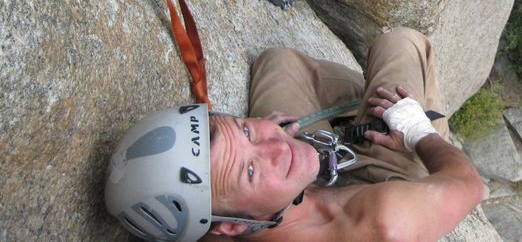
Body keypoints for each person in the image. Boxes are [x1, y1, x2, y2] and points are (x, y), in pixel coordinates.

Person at [106, 26, 485, 241]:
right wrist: (417, 130)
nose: (274, 143)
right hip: (391, 177)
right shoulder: (386, 223)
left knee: (279, 63)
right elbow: (470, 186)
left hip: (299, 188)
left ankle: (361, 107)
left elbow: (244, 160)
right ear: (234, 226)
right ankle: (394, 110)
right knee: (399, 42)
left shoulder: (209, 217)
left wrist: (257, 151)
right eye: (250, 170)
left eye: (245, 129)